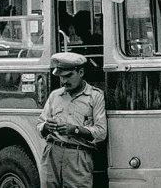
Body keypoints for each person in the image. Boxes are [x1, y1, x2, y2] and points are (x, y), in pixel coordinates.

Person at [36, 52, 107, 188]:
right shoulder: (55, 96)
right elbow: (40, 125)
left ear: (81, 72)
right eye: (60, 77)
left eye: (68, 76)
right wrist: (46, 127)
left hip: (78, 157)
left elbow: (101, 132)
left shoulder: (95, 96)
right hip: (52, 154)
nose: (63, 81)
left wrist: (74, 130)